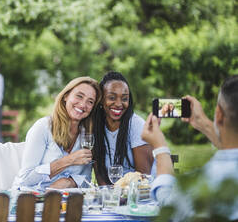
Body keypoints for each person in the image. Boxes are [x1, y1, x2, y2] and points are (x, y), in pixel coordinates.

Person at [141, 75, 238, 220]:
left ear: (218, 114)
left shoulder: (210, 179)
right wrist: (203, 123)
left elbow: (169, 205)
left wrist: (160, 148)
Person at [12, 76, 101, 191]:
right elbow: (25, 179)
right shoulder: (43, 127)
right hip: (29, 199)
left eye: (90, 102)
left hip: (65, 203)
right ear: (65, 96)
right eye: (79, 96)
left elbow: (86, 181)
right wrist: (69, 160)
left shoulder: (87, 136)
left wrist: (68, 182)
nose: (83, 105)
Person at [93, 71, 154, 185]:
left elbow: (143, 178)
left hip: (140, 194)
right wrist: (109, 197)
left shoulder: (136, 125)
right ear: (101, 100)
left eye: (124, 99)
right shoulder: (96, 126)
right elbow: (100, 174)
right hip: (113, 195)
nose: (119, 104)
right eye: (112, 97)